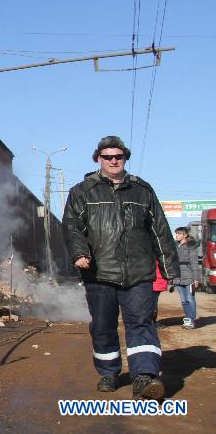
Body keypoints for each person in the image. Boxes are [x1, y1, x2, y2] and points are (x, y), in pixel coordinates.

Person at [63, 135, 180, 400]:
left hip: (139, 272)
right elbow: (71, 226)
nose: (113, 161)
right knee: (103, 325)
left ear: (125, 158)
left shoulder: (143, 190)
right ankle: (108, 371)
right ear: (98, 159)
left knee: (141, 323)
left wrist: (170, 269)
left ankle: (144, 377)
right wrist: (79, 252)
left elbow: (160, 232)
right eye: (108, 157)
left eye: (119, 156)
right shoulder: (83, 191)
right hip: (99, 273)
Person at [173, 227, 201, 329]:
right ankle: (187, 319)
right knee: (184, 300)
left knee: (190, 299)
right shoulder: (175, 246)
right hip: (178, 277)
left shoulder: (191, 247)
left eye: (179, 234)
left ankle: (192, 320)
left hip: (189, 277)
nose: (177, 235)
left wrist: (196, 279)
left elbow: (194, 263)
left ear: (185, 235)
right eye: (176, 233)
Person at [152, 263, 168, 329]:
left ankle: (152, 322)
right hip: (154, 281)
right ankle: (152, 322)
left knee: (152, 304)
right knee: (152, 304)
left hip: (155, 281)